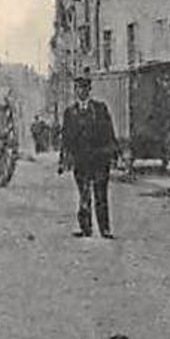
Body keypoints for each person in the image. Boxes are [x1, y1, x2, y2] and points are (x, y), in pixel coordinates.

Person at [59, 74, 118, 239]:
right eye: (78, 89)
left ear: (89, 90)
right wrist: (64, 159)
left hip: (100, 158)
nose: (82, 92)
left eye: (85, 89)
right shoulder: (70, 113)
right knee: (84, 194)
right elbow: (66, 138)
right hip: (81, 160)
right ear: (75, 91)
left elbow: (109, 132)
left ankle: (105, 228)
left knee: (101, 194)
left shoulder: (100, 109)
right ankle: (86, 228)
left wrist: (112, 153)